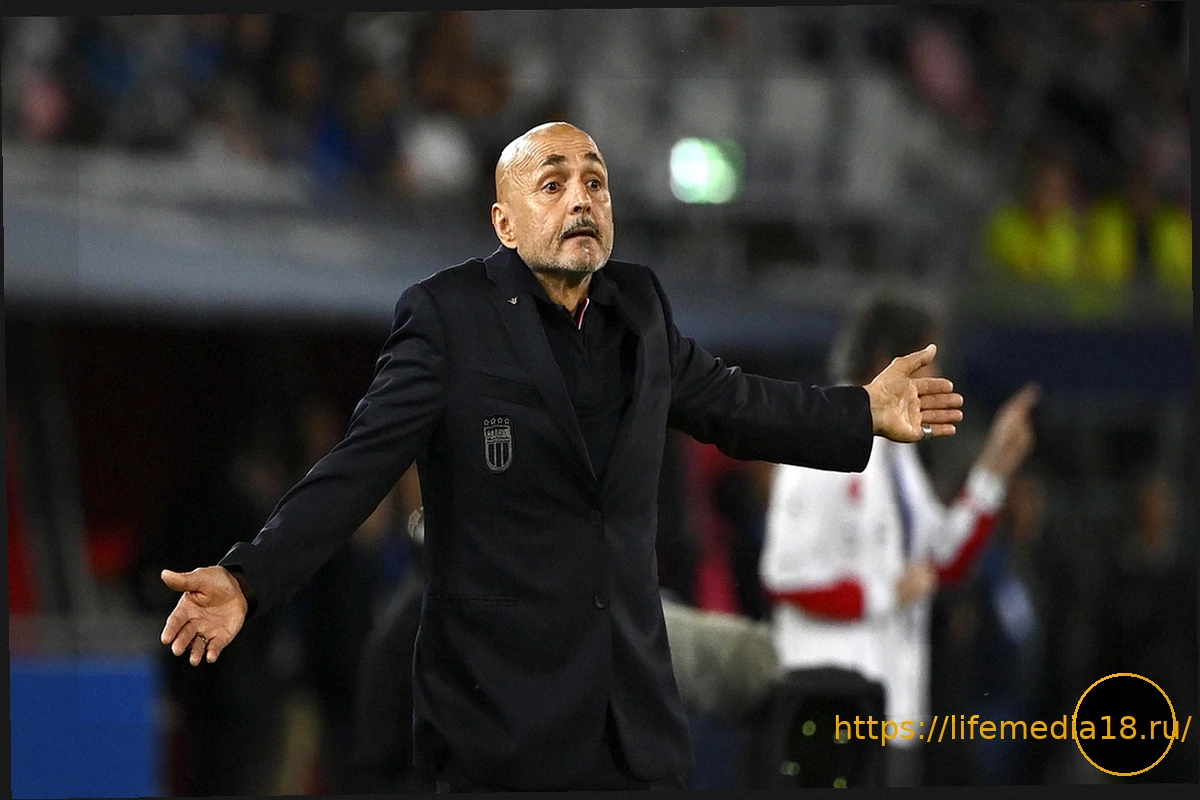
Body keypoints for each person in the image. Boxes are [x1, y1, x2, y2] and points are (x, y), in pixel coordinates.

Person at [157, 121, 965, 792]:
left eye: (596, 182)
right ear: (504, 224)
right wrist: (247, 577)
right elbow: (357, 466)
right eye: (553, 183)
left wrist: (861, 410)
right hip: (500, 739)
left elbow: (736, 403)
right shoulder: (447, 318)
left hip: (636, 738)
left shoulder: (641, 309)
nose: (582, 197)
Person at [759, 291, 1038, 787]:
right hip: (828, 703)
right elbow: (784, 578)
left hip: (893, 706)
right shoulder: (818, 438)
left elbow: (943, 563)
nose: (940, 379)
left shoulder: (897, 453)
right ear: (887, 360)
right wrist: (886, 593)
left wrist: (993, 470)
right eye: (930, 363)